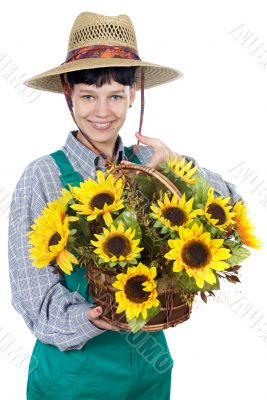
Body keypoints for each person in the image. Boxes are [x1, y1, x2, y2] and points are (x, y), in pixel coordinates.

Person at [8, 11, 242, 400]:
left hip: (150, 370)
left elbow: (231, 210)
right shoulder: (43, 177)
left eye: (115, 95)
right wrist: (90, 318)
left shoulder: (149, 162)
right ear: (68, 94)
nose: (102, 112)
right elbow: (32, 296)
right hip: (74, 376)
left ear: (134, 95)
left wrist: (177, 165)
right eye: (88, 96)